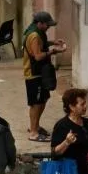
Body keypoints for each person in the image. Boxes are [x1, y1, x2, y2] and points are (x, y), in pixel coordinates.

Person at [25, 10, 66, 142]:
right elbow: (37, 56)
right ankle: (33, 132)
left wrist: (53, 42)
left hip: (40, 73)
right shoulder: (34, 36)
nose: (48, 27)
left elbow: (41, 45)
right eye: (47, 24)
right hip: (34, 73)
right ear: (40, 23)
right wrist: (54, 51)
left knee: (42, 100)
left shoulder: (38, 33)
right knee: (36, 103)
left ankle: (36, 126)